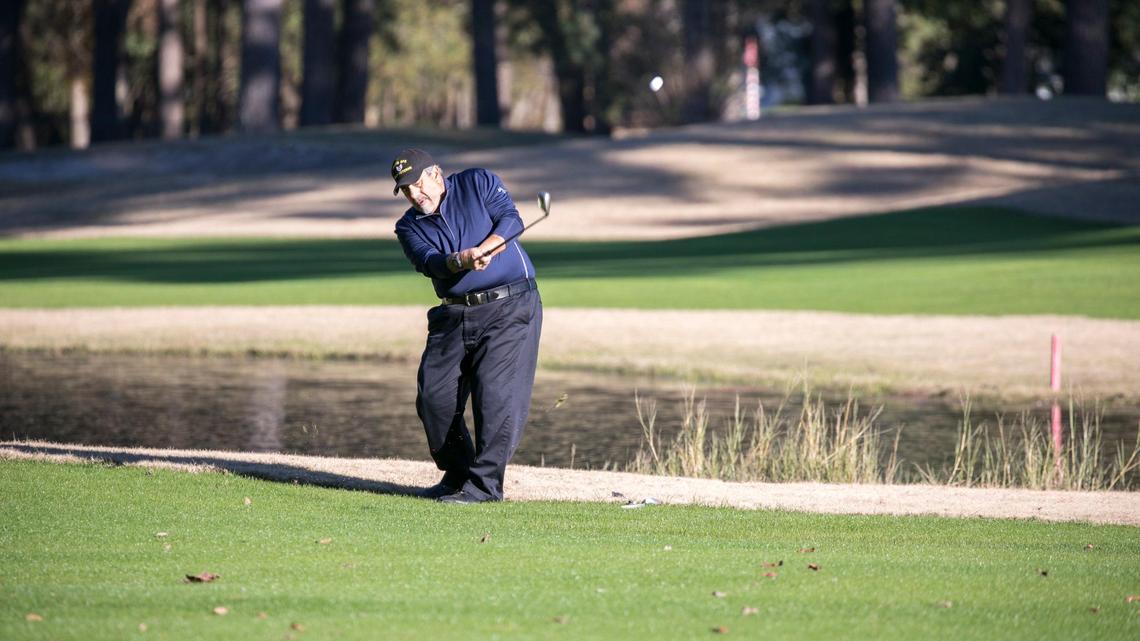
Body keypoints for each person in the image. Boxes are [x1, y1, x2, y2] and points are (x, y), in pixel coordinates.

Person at [391, 148, 542, 504]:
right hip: (454, 315)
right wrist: (463, 259)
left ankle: (486, 487)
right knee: (433, 398)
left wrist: (489, 247)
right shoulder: (408, 226)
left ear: (436, 174)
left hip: (510, 306)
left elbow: (510, 220)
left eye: (418, 184)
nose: (415, 194)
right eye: (406, 189)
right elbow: (431, 263)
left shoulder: (478, 182)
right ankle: (458, 473)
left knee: (495, 395)